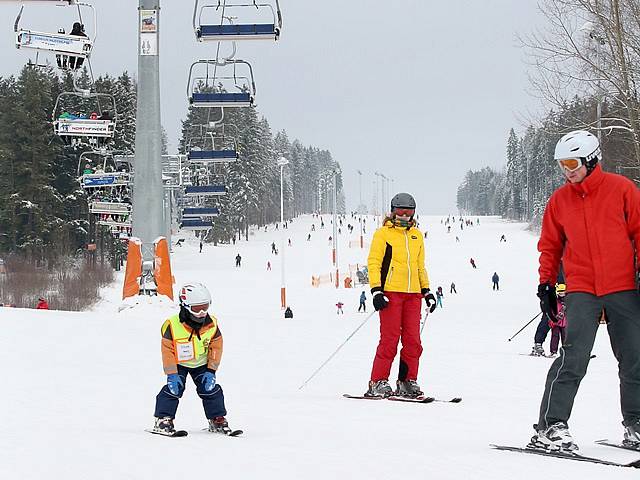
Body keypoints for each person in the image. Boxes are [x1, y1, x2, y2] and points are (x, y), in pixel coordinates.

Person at [530, 130, 640, 452]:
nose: (566, 170)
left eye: (572, 163)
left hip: (623, 287)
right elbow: (550, 246)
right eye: (561, 164)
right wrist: (546, 285)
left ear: (591, 160)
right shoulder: (559, 200)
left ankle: (635, 423)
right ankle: (550, 426)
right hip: (581, 289)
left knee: (634, 358)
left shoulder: (622, 190)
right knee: (573, 358)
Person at [365, 192, 436, 398]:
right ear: (392, 211)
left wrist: (427, 291)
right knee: (390, 339)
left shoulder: (417, 235)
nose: (404, 216)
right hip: (390, 293)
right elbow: (374, 262)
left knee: (413, 341)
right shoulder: (383, 234)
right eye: (400, 211)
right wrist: (376, 290)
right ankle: (378, 381)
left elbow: (419, 266)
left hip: (413, 295)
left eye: (409, 212)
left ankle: (406, 381)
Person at [151, 283, 236, 436]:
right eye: (197, 309)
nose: (202, 313)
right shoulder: (172, 325)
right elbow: (167, 350)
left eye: (205, 307)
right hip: (179, 364)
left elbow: (216, 346)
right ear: (185, 306)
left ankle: (217, 419)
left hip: (201, 363)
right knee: (173, 389)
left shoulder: (211, 325)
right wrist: (171, 373)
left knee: (210, 389)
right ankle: (163, 419)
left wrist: (211, 370)